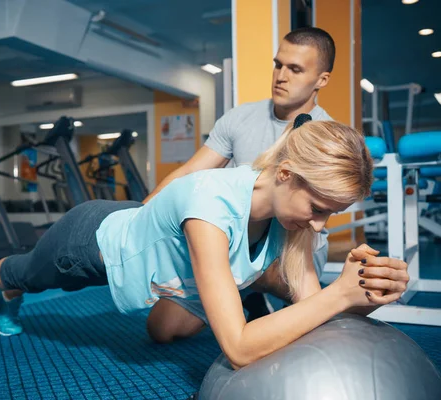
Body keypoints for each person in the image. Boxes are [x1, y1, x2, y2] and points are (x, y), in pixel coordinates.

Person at [0, 117, 409, 371]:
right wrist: (339, 293)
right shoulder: (209, 208)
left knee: (162, 334)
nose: (319, 225)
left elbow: (314, 304)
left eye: (330, 213)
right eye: (317, 208)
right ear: (287, 174)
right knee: (26, 276)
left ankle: (243, 289)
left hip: (163, 275)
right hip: (89, 243)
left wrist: (368, 288)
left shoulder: (288, 216)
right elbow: (237, 348)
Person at [142, 26, 337, 342]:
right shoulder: (240, 118)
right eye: (278, 64)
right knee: (162, 330)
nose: (281, 76)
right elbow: (190, 172)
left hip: (291, 244)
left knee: (279, 290)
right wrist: (142, 215)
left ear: (321, 80)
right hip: (237, 239)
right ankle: (246, 293)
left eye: (296, 69)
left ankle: (250, 287)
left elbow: (308, 214)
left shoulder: (326, 137)